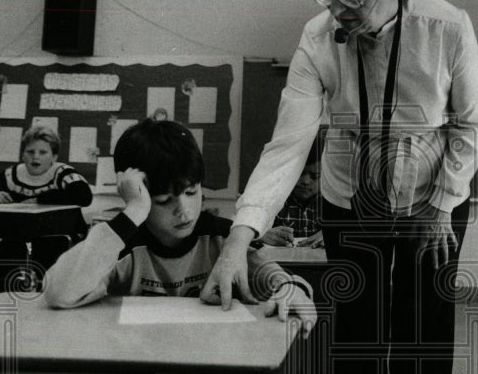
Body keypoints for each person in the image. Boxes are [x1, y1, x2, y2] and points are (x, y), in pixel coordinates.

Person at [217, 0, 478, 374]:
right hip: (349, 193)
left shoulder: (446, 27)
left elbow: (472, 123)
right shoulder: (317, 39)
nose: (339, 7)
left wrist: (442, 205)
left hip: (432, 195)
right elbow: (287, 146)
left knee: (423, 332)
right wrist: (238, 235)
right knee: (357, 330)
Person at [42, 118, 317, 342]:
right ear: (139, 196)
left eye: (191, 191)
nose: (184, 211)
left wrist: (291, 288)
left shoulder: (223, 239)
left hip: (211, 362)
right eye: (163, 201)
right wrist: (134, 212)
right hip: (137, 360)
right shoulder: (121, 243)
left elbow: (277, 278)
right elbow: (59, 293)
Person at [0, 125, 92, 292]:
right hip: (24, 236)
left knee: (46, 262)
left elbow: (83, 195)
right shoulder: (13, 174)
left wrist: (40, 199)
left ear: (54, 156)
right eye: (30, 152)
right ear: (23, 155)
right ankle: (11, 295)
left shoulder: (62, 172)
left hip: (60, 236)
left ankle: (44, 299)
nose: (35, 157)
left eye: (43, 152)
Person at [251, 143, 323, 249]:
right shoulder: (269, 198)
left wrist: (333, 235)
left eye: (315, 176)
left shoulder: (334, 202)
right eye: (300, 173)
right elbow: (243, 231)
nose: (306, 181)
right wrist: (260, 235)